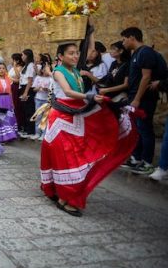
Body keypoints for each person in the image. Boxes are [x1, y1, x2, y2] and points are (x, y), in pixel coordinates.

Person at [40, 42, 138, 216]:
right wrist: (89, 96)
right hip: (61, 119)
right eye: (71, 53)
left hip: (75, 116)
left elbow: (90, 47)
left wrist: (89, 27)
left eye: (77, 53)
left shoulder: (76, 72)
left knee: (75, 155)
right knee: (67, 157)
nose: (75, 56)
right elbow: (68, 92)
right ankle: (64, 197)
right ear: (61, 56)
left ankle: (62, 192)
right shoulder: (58, 72)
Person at [121, 27, 168, 174]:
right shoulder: (137, 53)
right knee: (137, 129)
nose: (123, 43)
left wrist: (137, 99)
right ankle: (137, 158)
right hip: (135, 97)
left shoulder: (146, 52)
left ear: (132, 38)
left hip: (144, 99)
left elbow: (146, 77)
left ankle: (147, 162)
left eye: (124, 39)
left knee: (145, 129)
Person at [32, 57, 53, 141]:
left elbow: (51, 90)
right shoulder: (38, 78)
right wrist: (38, 88)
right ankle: (37, 133)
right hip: (38, 98)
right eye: (44, 69)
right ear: (42, 70)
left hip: (46, 100)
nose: (46, 71)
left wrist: (47, 89)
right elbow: (33, 89)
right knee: (38, 116)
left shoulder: (51, 79)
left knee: (45, 117)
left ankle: (43, 134)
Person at [18, 49, 37, 138]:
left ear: (27, 55)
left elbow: (30, 80)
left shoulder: (30, 65)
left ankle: (30, 130)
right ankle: (26, 129)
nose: (22, 57)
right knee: (25, 109)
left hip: (27, 88)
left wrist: (25, 92)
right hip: (23, 87)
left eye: (23, 55)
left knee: (29, 109)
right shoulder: (26, 65)